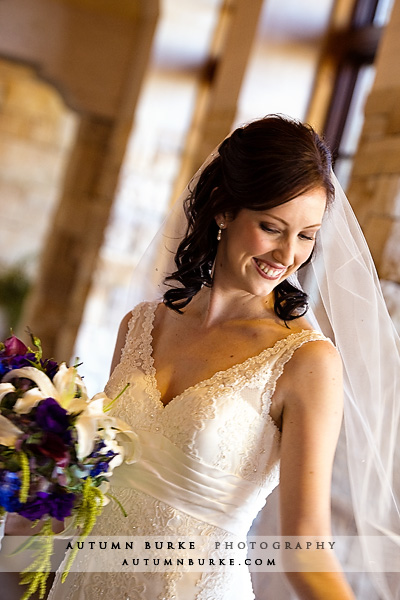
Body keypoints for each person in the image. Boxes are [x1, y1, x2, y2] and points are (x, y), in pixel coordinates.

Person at [47, 115, 399, 600]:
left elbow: (305, 548)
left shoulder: (306, 362)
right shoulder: (139, 326)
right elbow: (97, 481)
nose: (289, 253)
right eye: (272, 227)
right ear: (223, 210)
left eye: (306, 235)